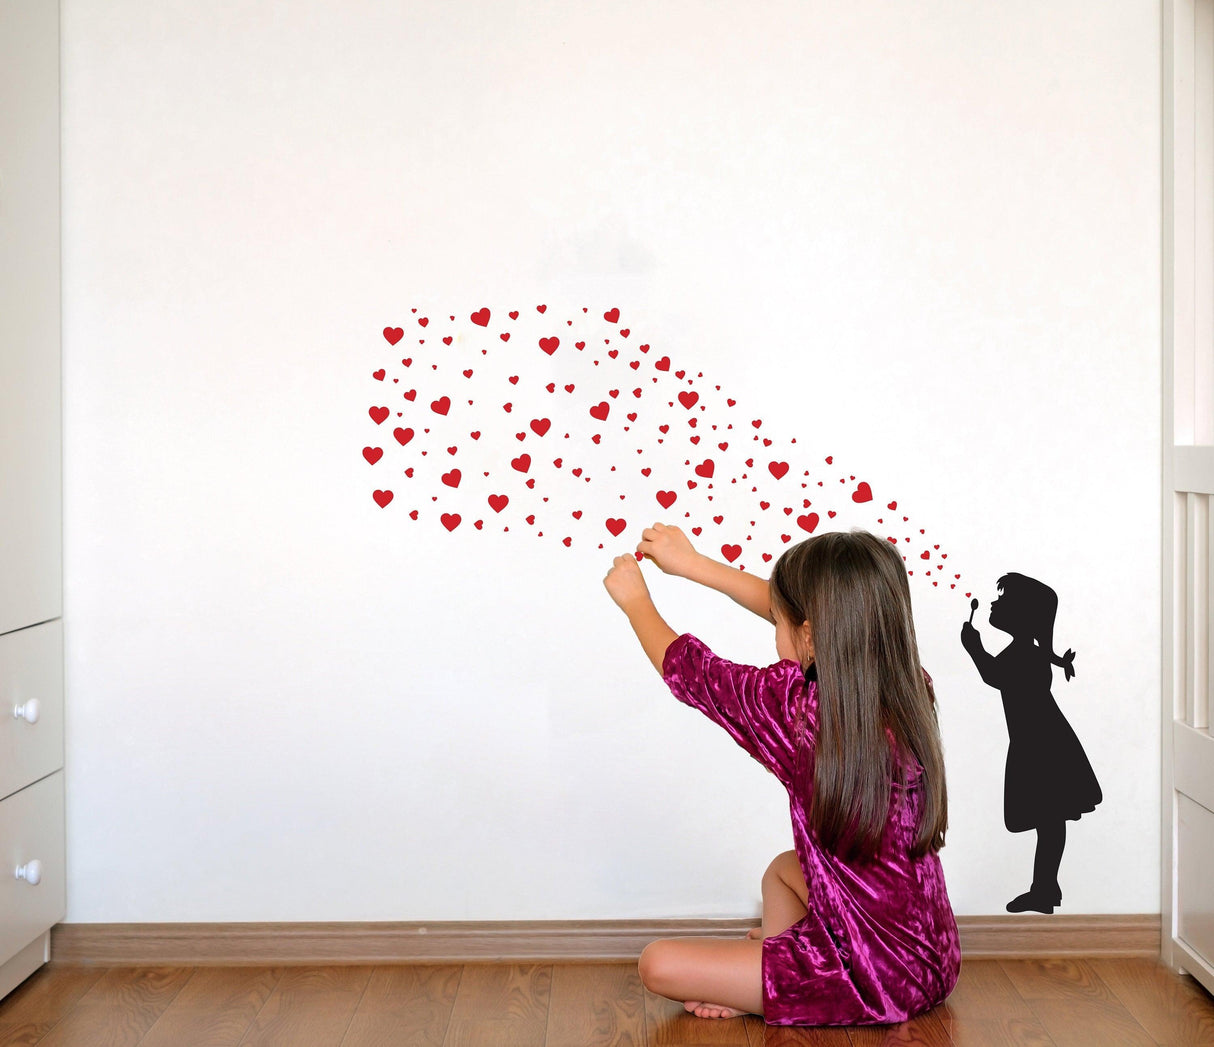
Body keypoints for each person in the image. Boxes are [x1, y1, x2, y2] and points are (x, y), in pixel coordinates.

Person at [603, 524, 961, 1026]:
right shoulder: (907, 688)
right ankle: (773, 974)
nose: (773, 622)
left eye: (779, 619)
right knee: (780, 871)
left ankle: (774, 990)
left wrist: (636, 601)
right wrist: (693, 565)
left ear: (811, 635)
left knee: (657, 964)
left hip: (872, 982)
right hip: (933, 960)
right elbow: (798, 612)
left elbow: (691, 671)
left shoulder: (795, 712)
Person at [960, 573, 1101, 914]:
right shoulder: (1025, 651)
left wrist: (974, 647)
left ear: (1022, 614)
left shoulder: (1022, 654)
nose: (994, 603)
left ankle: (1044, 889)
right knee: (1050, 822)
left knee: (1050, 821)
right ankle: (1046, 888)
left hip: (1041, 744)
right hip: (1041, 741)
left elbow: (994, 676)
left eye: (1003, 599)